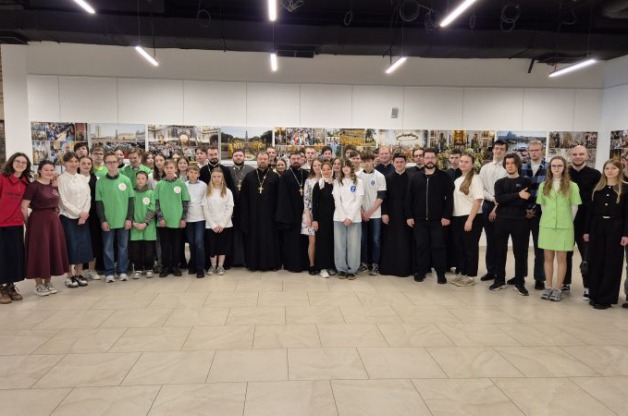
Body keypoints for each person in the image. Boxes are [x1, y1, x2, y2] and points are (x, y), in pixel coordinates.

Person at [405, 148, 454, 284]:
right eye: (427, 158)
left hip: (438, 220)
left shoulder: (444, 177)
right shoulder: (415, 177)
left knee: (438, 247)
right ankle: (421, 272)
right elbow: (409, 198)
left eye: (432, 157)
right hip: (419, 220)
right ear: (423, 159)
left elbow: (450, 199)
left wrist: (447, 216)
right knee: (421, 246)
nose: (430, 160)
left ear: (436, 159)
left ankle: (440, 274)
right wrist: (409, 216)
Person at [584, 160, 628, 309]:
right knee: (596, 261)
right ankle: (594, 294)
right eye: (607, 168)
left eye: (613, 168)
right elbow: (590, 212)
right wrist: (587, 231)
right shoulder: (597, 188)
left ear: (619, 170)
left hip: (616, 229)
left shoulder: (625, 188)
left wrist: (626, 234)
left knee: (611, 263)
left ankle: (606, 298)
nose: (610, 171)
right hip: (597, 227)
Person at [21, 161, 70, 296]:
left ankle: (48, 282)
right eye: (46, 170)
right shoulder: (33, 186)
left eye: (51, 170)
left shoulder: (54, 185)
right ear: (40, 171)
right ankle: (38, 284)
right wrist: (28, 224)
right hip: (38, 222)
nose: (49, 172)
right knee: (39, 252)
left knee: (52, 250)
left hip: (54, 222)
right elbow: (24, 206)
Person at [537, 155, 582, 302]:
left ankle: (558, 288)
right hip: (547, 226)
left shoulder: (572, 186)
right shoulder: (543, 185)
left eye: (559, 166)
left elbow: (574, 207)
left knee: (562, 258)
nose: (556, 168)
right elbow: (543, 207)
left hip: (564, 227)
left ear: (564, 168)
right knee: (548, 258)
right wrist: (549, 220)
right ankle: (548, 286)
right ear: (550, 168)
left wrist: (566, 222)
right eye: (553, 166)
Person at [490, 153, 531, 295]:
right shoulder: (500, 183)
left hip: (520, 221)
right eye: (507, 163)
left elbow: (524, 200)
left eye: (513, 163)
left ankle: (519, 283)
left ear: (518, 164)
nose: (510, 166)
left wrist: (508, 198)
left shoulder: (525, 181)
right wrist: (517, 195)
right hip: (502, 220)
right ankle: (499, 280)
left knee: (520, 252)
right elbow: (498, 199)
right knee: (500, 251)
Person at [566, 145, 601, 297]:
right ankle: (565, 283)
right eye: (575, 154)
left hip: (586, 222)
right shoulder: (565, 173)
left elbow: (597, 199)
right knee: (565, 254)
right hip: (567, 219)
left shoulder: (595, 174)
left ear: (587, 156)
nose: (578, 157)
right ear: (570, 156)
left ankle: (588, 286)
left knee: (587, 255)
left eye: (581, 154)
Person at [96, 153, 135, 283]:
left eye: (114, 161)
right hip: (108, 221)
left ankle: (122, 271)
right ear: (105, 164)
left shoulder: (126, 180)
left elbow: (131, 200)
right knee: (108, 248)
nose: (112, 164)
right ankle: (109, 272)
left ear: (118, 162)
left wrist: (129, 218)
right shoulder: (100, 182)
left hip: (123, 220)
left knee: (123, 247)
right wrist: (103, 220)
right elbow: (99, 203)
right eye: (109, 162)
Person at [239, 152, 281, 271]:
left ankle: (271, 264)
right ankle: (253, 264)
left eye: (265, 159)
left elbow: (280, 198)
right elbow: (243, 198)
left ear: (269, 160)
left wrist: (278, 215)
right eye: (260, 159)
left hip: (270, 216)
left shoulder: (275, 177)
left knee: (270, 240)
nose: (262, 161)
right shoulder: (249, 176)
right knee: (254, 240)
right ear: (256, 160)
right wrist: (245, 216)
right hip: (253, 215)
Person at [57, 151, 92, 288]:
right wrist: (78, 213)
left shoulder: (82, 178)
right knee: (69, 246)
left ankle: (79, 274)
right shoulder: (61, 179)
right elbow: (62, 200)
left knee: (82, 246)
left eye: (76, 161)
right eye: (70, 161)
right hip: (68, 217)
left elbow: (88, 196)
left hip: (83, 217)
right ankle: (69, 276)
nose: (74, 164)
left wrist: (85, 213)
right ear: (64, 163)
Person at [0, 153, 31, 304]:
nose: (20, 164)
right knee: (1, 257)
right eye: (17, 161)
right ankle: (1, 288)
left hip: (16, 225)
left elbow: (26, 205)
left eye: (23, 162)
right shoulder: (2, 178)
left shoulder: (25, 183)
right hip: (1, 224)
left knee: (14, 257)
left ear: (27, 165)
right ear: (11, 162)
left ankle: (10, 286)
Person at [450, 153, 483, 287]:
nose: (463, 164)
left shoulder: (476, 179)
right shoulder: (457, 180)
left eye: (466, 162)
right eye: (461, 161)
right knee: (460, 247)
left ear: (472, 164)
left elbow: (478, 200)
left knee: (470, 248)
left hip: (471, 217)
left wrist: (470, 220)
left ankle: (470, 276)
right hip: (457, 217)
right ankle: (463, 272)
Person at [478, 139, 508, 281]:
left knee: (501, 241)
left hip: (503, 207)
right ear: (493, 150)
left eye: (502, 149)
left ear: (505, 151)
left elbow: (507, 191)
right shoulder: (485, 168)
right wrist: (493, 199)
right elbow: (481, 188)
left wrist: (498, 203)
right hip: (488, 205)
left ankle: (499, 272)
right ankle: (490, 270)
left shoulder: (508, 168)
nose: (498, 151)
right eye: (496, 148)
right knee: (490, 240)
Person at [519, 140, 547, 290]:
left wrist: (535, 209)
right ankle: (520, 276)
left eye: (537, 150)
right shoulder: (522, 168)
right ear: (528, 152)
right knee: (521, 248)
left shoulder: (549, 168)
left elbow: (548, 193)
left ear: (542, 151)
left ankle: (539, 278)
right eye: (532, 150)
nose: (534, 152)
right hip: (522, 213)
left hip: (540, 213)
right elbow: (519, 190)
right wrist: (526, 209)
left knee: (539, 248)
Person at [155, 159, 190, 277]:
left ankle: (175, 266)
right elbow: (156, 203)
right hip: (163, 221)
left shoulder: (181, 184)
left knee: (176, 245)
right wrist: (160, 218)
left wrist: (183, 218)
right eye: (167, 168)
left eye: (171, 168)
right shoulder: (160, 184)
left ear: (175, 169)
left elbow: (185, 202)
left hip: (177, 220)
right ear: (163, 169)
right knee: (165, 245)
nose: (169, 170)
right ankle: (165, 267)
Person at [380, 153, 413, 277]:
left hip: (407, 215)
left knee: (405, 242)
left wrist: (411, 215)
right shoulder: (387, 178)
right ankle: (390, 268)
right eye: (397, 162)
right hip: (391, 215)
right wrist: (384, 213)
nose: (399, 164)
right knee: (391, 241)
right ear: (393, 163)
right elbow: (383, 198)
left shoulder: (412, 177)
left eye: (401, 162)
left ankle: (405, 269)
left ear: (406, 163)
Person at [276, 153, 310, 273]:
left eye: (298, 158)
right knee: (291, 240)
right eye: (293, 158)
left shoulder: (306, 174)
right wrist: (287, 215)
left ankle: (305, 264)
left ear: (302, 159)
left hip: (305, 212)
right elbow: (282, 197)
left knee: (304, 239)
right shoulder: (285, 176)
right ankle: (291, 264)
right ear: (289, 160)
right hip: (290, 214)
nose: (296, 160)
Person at [333, 159, 364, 279]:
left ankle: (352, 269)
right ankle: (341, 269)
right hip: (339, 217)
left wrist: (350, 217)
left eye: (347, 166)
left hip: (354, 218)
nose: (345, 168)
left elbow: (358, 200)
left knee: (354, 245)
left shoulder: (358, 182)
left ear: (351, 167)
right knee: (339, 244)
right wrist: (343, 217)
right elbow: (337, 200)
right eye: (343, 166)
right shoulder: (337, 181)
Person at [357, 152, 386, 275]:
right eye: (364, 161)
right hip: (360, 213)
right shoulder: (357, 176)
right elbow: (355, 196)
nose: (366, 164)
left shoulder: (380, 176)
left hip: (375, 214)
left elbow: (381, 197)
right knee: (362, 240)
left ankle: (375, 265)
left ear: (373, 161)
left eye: (368, 161)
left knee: (375, 240)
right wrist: (362, 212)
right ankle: (364, 263)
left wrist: (369, 213)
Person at [202, 168, 234, 275]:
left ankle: (220, 266)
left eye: (219, 176)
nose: (216, 179)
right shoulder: (207, 191)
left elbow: (229, 208)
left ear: (222, 178)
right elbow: (205, 209)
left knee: (223, 246)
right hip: (211, 225)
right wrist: (213, 224)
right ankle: (213, 266)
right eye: (214, 177)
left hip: (225, 225)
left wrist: (222, 224)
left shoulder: (228, 192)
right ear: (211, 178)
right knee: (212, 247)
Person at [229, 149, 254, 267]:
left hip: (246, 206)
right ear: (232, 157)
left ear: (244, 157)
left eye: (240, 155)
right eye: (236, 155)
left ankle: (245, 258)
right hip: (231, 205)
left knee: (245, 231)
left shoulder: (251, 170)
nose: (238, 157)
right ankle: (234, 260)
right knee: (233, 233)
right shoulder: (228, 170)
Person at [129, 171, 156, 278]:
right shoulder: (132, 193)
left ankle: (149, 268)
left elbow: (152, 209)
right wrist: (133, 222)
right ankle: (138, 268)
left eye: (143, 178)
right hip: (135, 225)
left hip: (148, 226)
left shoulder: (151, 193)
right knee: (136, 250)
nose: (140, 180)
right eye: (138, 178)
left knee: (149, 250)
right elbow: (129, 208)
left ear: (146, 180)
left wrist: (145, 223)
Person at [79, 156, 102, 279]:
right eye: (83, 163)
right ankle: (80, 270)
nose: (86, 166)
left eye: (89, 163)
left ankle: (92, 269)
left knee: (94, 240)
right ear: (79, 164)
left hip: (93, 214)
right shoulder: (75, 179)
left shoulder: (96, 179)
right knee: (80, 241)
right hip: (78, 214)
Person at [312, 161, 337, 278]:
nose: (326, 171)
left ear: (332, 170)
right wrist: (315, 220)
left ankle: (330, 265)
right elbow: (314, 203)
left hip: (335, 217)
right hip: (322, 218)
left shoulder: (336, 183)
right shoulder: (319, 185)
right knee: (323, 242)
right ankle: (322, 267)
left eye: (328, 169)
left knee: (332, 241)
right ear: (321, 171)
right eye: (324, 169)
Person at [185, 165, 207, 278]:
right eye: (191, 172)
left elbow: (206, 200)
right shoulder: (184, 185)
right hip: (188, 218)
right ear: (187, 173)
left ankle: (200, 268)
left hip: (200, 217)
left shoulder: (203, 185)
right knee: (192, 243)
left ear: (198, 174)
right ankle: (193, 265)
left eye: (195, 172)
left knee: (199, 243)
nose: (193, 174)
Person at [302, 159, 322, 275]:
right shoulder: (309, 181)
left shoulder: (327, 179)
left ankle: (322, 264)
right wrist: (308, 216)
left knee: (322, 241)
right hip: (310, 213)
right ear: (312, 167)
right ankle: (312, 265)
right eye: (315, 165)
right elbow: (306, 199)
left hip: (323, 214)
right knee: (312, 241)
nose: (317, 167)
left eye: (319, 165)